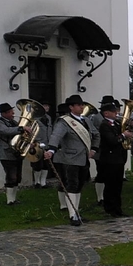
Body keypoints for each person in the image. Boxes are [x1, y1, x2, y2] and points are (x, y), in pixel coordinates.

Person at [43, 94, 97, 226]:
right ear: (71, 107)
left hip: (84, 158)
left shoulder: (86, 120)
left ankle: (76, 212)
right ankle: (72, 215)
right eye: (78, 105)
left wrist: (94, 149)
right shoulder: (64, 121)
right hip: (70, 158)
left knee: (79, 185)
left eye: (82, 105)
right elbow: (56, 136)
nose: (81, 107)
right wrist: (51, 150)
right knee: (72, 185)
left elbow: (96, 134)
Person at [96, 101, 130, 216]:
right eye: (114, 112)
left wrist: (132, 125)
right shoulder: (104, 125)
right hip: (109, 159)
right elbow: (112, 140)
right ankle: (110, 208)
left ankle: (118, 208)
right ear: (106, 113)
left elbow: (125, 130)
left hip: (119, 158)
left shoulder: (116, 123)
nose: (117, 113)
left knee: (118, 185)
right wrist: (124, 135)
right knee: (110, 185)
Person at [0, 102, 25, 205]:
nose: (13, 114)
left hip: (17, 153)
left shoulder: (14, 122)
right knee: (11, 177)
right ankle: (10, 201)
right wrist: (22, 128)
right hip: (7, 154)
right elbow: (6, 131)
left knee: (17, 177)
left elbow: (20, 135)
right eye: (11, 112)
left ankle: (14, 199)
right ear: (4, 113)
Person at [30, 102, 53, 189]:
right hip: (37, 144)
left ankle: (43, 182)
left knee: (46, 164)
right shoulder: (34, 118)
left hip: (47, 144)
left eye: (48, 106)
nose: (47, 107)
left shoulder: (48, 118)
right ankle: (37, 182)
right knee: (37, 164)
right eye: (45, 105)